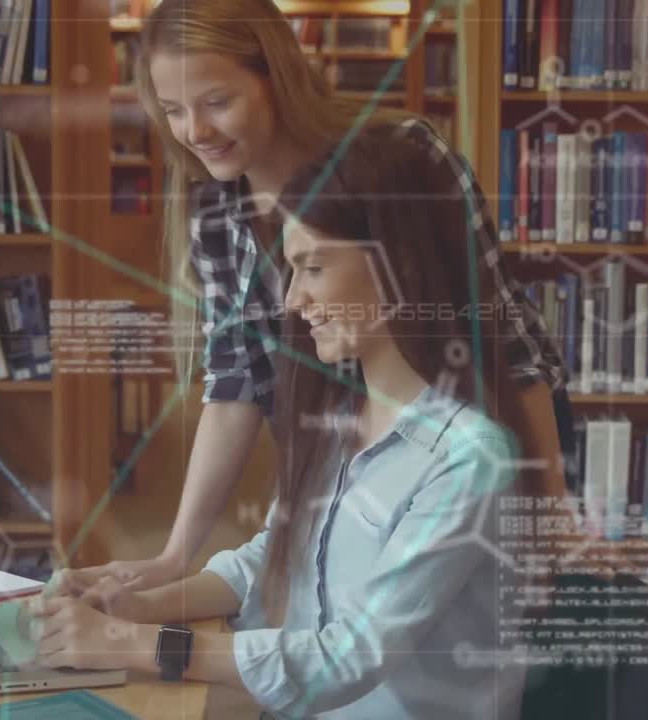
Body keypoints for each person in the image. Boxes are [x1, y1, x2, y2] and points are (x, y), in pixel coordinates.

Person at [29, 135, 528, 720]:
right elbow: (274, 557)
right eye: (291, 271)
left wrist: (133, 644)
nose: (294, 300)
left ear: (400, 266)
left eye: (313, 268)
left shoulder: (469, 460)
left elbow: (345, 660)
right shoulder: (335, 417)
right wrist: (134, 606)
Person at [77, 0, 569, 591]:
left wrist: (549, 524)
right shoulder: (214, 208)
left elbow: (507, 349)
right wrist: (174, 555)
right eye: (175, 111)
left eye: (217, 102)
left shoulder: (403, 158)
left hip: (464, 448)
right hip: (343, 453)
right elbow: (236, 378)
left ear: (275, 76)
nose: (195, 133)